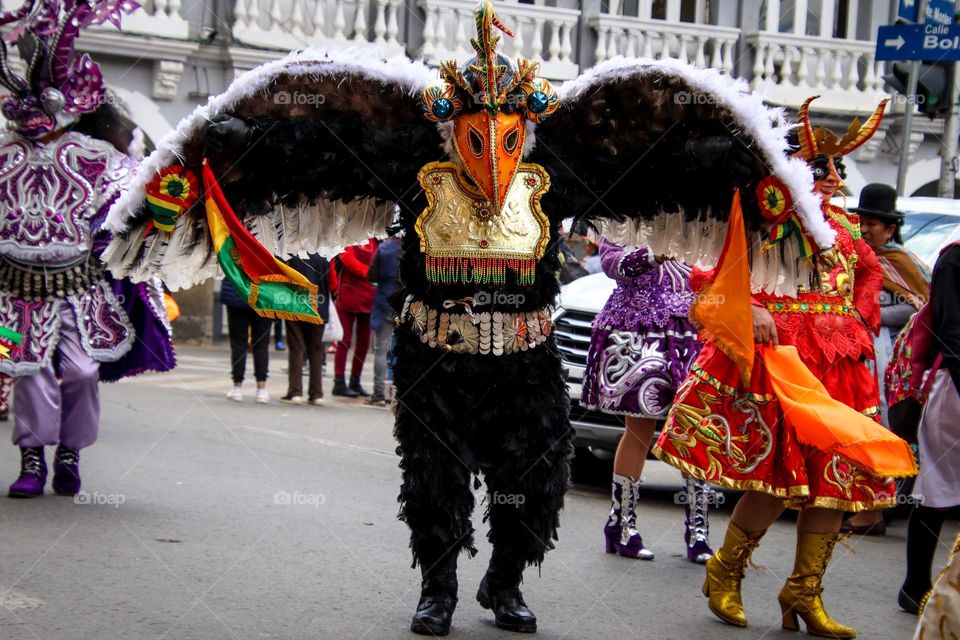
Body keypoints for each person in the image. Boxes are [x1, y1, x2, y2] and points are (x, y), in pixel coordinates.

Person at [105, 2, 827, 632]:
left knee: (534, 482)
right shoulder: (409, 169)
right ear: (451, 130)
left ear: (527, 130)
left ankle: (505, 582)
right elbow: (310, 149)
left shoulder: (557, 177)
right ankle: (439, 589)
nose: (493, 155)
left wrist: (732, 163)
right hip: (435, 358)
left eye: (508, 136)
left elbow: (660, 163)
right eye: (476, 135)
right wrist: (233, 142)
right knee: (435, 480)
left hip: (526, 360)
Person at [654, 97, 901, 639]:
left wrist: (860, 317)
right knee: (778, 479)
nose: (833, 178)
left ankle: (803, 592)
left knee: (835, 480)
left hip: (839, 366)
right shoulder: (763, 218)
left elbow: (869, 272)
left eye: (837, 168)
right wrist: (753, 307)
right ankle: (726, 569)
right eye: (821, 167)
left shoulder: (843, 226)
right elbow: (709, 276)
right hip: (783, 364)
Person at [1, 2, 175, 498]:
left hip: (79, 289)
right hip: (15, 293)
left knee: (81, 372)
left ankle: (70, 452)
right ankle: (32, 460)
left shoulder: (95, 157)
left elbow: (133, 197)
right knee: (27, 370)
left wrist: (168, 198)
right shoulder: (4, 157)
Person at [581, 238, 712, 563]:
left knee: (695, 428)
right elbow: (612, 264)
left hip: (692, 333)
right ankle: (622, 525)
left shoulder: (699, 222)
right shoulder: (627, 219)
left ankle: (698, 532)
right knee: (639, 429)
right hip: (640, 330)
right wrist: (653, 255)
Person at [841, 183, 930, 536]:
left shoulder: (901, 262)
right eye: (861, 222)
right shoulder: (853, 256)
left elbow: (918, 306)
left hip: (887, 354)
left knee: (881, 423)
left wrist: (868, 316)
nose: (864, 229)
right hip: (857, 348)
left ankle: (877, 507)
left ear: (890, 229)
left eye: (873, 224)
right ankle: (863, 504)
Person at [898, 241, 960, 614]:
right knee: (936, 488)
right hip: (953, 386)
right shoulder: (955, 258)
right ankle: (916, 585)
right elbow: (951, 331)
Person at [280, 253, 332, 405]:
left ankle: (295, 392)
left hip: (294, 305)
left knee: (296, 348)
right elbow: (332, 285)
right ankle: (316, 394)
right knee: (316, 350)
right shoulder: (324, 257)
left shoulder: (290, 256)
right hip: (318, 306)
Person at [332, 239, 377, 398]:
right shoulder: (349, 237)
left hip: (369, 295)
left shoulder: (375, 240)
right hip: (348, 293)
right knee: (344, 340)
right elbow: (347, 258)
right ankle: (339, 381)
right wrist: (368, 272)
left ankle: (355, 380)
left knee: (364, 343)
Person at [365, 229, 403, 407]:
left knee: (381, 351)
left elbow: (371, 275)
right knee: (402, 352)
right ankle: (398, 394)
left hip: (384, 302)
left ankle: (379, 394)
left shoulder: (384, 248)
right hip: (404, 304)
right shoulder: (410, 248)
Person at [222, 279, 271, 404]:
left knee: (238, 343)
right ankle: (261, 389)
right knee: (261, 344)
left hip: (237, 294)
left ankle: (237, 387)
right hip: (264, 295)